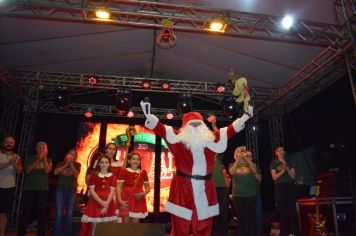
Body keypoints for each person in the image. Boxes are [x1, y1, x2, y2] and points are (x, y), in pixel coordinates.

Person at [140, 99, 253, 236]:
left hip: (205, 188)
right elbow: (161, 129)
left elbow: (229, 131)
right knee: (180, 226)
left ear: (203, 127)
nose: (194, 128)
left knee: (204, 226)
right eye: (191, 125)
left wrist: (244, 117)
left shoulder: (211, 139)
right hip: (183, 187)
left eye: (197, 125)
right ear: (184, 127)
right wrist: (149, 115)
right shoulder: (178, 138)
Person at [18, 141, 52, 236]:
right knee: (25, 212)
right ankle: (21, 233)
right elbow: (27, 170)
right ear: (36, 148)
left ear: (46, 150)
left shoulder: (48, 159)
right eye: (40, 147)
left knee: (41, 213)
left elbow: (47, 171)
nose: (41, 149)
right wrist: (38, 160)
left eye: (44, 148)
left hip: (42, 189)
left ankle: (41, 234)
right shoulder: (29, 157)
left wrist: (44, 158)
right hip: (29, 188)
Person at [80, 155, 117, 236]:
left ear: (109, 164)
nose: (104, 164)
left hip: (108, 204)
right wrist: (102, 203)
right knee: (95, 226)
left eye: (106, 162)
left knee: (107, 227)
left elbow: (112, 192)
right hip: (95, 203)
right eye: (102, 162)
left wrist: (106, 205)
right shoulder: (94, 175)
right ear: (99, 164)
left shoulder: (113, 176)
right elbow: (92, 191)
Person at [229, 147, 261, 236]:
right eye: (238, 152)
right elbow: (231, 172)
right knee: (241, 219)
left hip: (250, 194)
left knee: (251, 218)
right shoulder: (232, 164)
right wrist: (237, 160)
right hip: (237, 195)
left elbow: (255, 170)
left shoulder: (250, 164)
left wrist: (248, 160)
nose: (241, 154)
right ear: (236, 155)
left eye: (242, 152)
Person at [270, 146, 299, 236]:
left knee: (292, 209)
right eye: (279, 150)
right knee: (282, 210)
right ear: (276, 153)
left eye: (282, 150)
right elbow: (274, 177)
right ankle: (284, 232)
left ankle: (295, 232)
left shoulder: (290, 162)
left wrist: (287, 168)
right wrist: (283, 170)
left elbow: (293, 177)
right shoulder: (274, 163)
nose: (281, 151)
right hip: (280, 186)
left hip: (290, 185)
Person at [53, 148, 81, 236]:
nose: (72, 156)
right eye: (70, 154)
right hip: (60, 189)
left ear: (75, 157)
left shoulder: (77, 165)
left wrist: (71, 163)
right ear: (66, 155)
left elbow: (76, 174)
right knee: (59, 213)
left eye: (74, 155)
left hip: (71, 190)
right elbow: (55, 172)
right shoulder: (60, 164)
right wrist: (66, 164)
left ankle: (67, 233)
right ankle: (57, 233)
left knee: (69, 213)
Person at [117, 152, 150, 223]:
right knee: (125, 224)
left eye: (138, 159)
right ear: (129, 161)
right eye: (133, 159)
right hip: (126, 200)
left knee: (135, 227)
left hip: (138, 201)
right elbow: (119, 186)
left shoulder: (143, 173)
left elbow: (147, 187)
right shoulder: (124, 171)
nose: (136, 161)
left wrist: (143, 194)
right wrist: (120, 200)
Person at [210, 117, 229, 236]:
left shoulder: (219, 154)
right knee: (210, 215)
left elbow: (222, 138)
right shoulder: (204, 153)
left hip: (221, 187)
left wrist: (214, 127)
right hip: (208, 188)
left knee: (223, 214)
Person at [0, 136, 22, 236]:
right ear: (3, 143)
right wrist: (9, 163)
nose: (9, 144)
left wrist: (13, 164)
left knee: (4, 213)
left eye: (11, 142)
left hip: (9, 188)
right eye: (7, 142)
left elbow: (19, 171)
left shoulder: (17, 157)